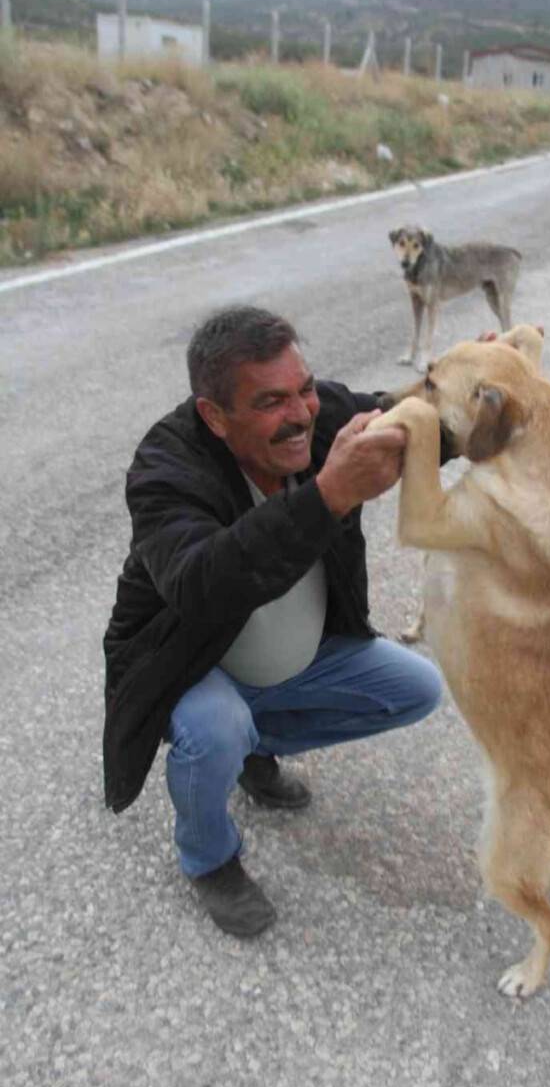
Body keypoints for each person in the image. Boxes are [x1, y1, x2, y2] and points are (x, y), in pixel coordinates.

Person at [103, 305, 443, 937]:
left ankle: (255, 749)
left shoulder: (321, 417)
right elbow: (203, 585)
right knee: (216, 728)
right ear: (214, 416)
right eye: (271, 401)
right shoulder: (165, 469)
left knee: (416, 690)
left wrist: (481, 390)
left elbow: (417, 422)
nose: (301, 414)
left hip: (298, 654)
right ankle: (210, 856)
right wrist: (331, 495)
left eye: (305, 389)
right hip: (192, 662)